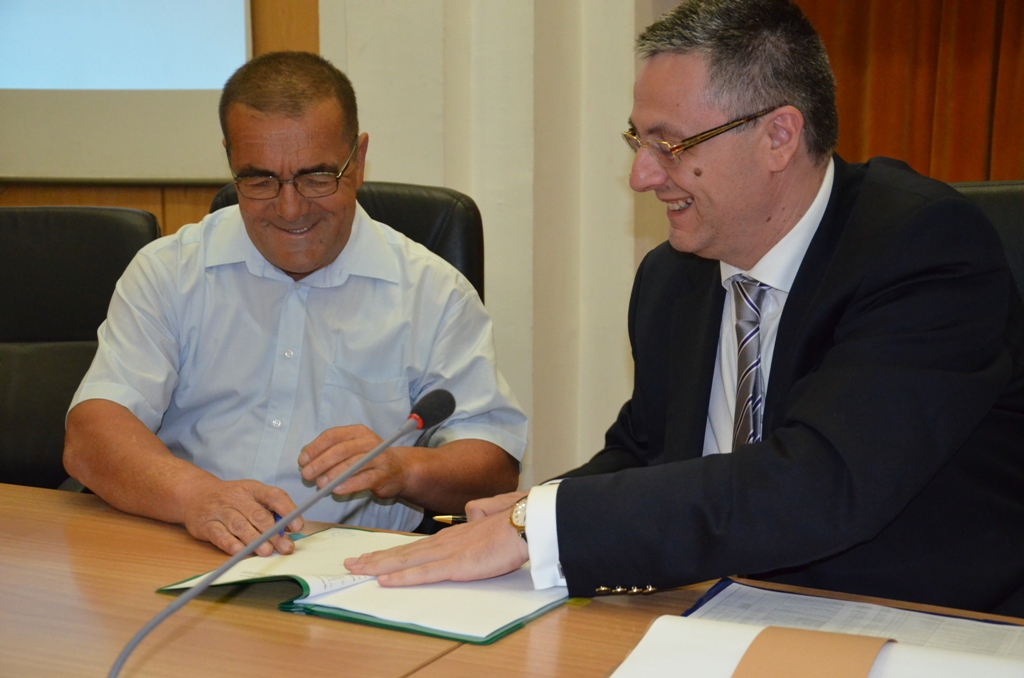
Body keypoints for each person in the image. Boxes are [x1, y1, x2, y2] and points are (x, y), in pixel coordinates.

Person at [345, 0, 1024, 616]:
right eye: (636, 141)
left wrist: (550, 527)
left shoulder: (922, 250)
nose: (641, 176)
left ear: (779, 137)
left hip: (918, 623)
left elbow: (819, 484)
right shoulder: (674, 277)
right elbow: (646, 452)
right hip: (715, 615)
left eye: (668, 145)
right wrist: (529, 509)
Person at [63, 52, 527, 559]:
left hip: (356, 567)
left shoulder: (434, 294)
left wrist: (405, 468)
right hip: (187, 543)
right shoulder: (169, 271)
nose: (289, 208)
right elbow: (92, 435)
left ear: (358, 159)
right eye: (260, 180)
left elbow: (493, 462)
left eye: (317, 177)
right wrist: (199, 497)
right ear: (231, 161)